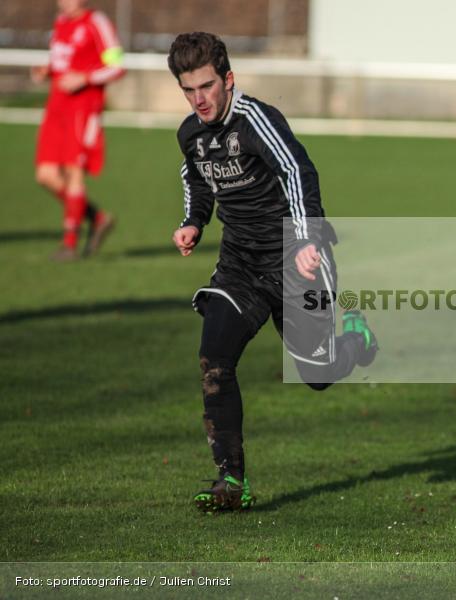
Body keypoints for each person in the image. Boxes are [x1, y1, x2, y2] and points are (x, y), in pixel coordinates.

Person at [167, 32, 377, 512]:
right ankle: (231, 481)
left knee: (317, 374)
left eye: (206, 86)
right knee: (213, 359)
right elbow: (195, 177)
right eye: (188, 90)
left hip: (296, 258)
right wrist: (193, 222)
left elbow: (298, 172)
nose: (198, 99)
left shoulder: (257, 120)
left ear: (228, 80)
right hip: (241, 263)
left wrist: (306, 239)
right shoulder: (191, 134)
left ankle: (357, 340)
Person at [33, 0, 123, 261]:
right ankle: (97, 218)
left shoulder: (97, 22)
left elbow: (116, 65)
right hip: (56, 108)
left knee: (74, 171)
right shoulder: (61, 23)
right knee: (45, 174)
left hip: (83, 109)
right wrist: (47, 71)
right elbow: (61, 64)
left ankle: (69, 244)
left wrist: (85, 78)